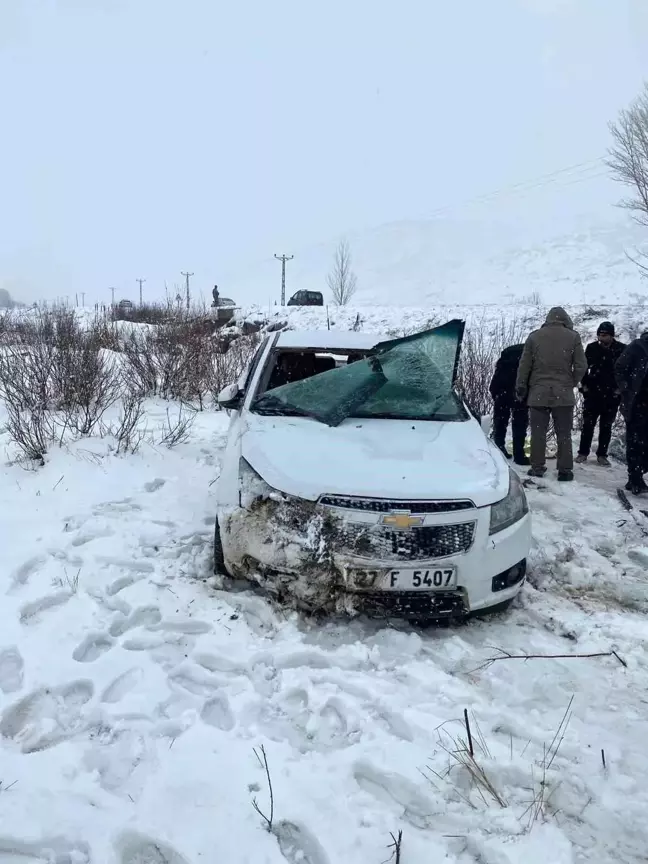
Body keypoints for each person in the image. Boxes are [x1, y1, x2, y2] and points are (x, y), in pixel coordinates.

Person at [515, 307, 587, 481]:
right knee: (564, 434)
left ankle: (538, 467)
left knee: (538, 433)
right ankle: (565, 470)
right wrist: (570, 382)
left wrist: (521, 386)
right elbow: (581, 366)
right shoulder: (573, 337)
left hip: (538, 392)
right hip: (563, 393)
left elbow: (524, 366)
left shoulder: (534, 337)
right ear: (565, 320)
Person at [575, 322, 626, 467]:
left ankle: (602, 455)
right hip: (593, 393)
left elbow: (625, 372)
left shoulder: (621, 349)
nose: (601, 338)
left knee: (606, 426)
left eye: (605, 335)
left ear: (611, 335)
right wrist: (584, 386)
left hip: (612, 395)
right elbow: (584, 367)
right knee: (588, 425)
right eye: (600, 335)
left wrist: (620, 389)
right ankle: (583, 453)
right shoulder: (592, 348)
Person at [615, 331, 648, 495]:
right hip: (637, 402)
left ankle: (639, 471)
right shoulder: (637, 346)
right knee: (635, 441)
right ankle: (634, 478)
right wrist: (626, 388)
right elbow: (619, 367)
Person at [489, 344, 529, 465]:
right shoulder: (527, 358)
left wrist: (495, 393)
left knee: (500, 422)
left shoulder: (504, 361)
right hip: (520, 394)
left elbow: (495, 381)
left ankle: (499, 448)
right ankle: (519, 454)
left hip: (502, 393)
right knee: (520, 425)